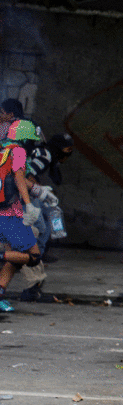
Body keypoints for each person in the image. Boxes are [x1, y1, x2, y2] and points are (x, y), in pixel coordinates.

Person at [0, 133, 42, 312]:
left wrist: (40, 191)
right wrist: (29, 204)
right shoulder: (17, 151)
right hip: (10, 214)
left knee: (14, 258)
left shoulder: (3, 150)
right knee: (34, 257)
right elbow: (18, 179)